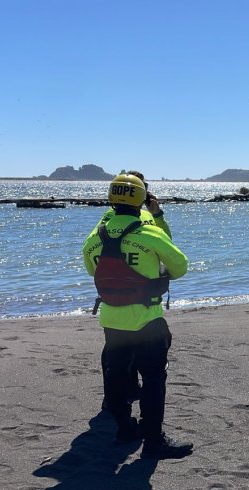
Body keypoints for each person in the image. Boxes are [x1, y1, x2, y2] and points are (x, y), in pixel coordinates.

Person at [82, 173, 192, 459]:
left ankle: (125, 429)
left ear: (111, 198)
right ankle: (154, 442)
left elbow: (91, 269)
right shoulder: (148, 231)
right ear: (141, 198)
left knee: (118, 378)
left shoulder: (96, 236)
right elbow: (180, 266)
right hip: (147, 320)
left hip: (111, 320)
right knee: (154, 379)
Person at [93, 171, 170, 411]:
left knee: (120, 358)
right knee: (132, 362)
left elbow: (93, 256)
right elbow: (170, 252)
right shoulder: (111, 217)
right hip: (136, 301)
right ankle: (118, 402)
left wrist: (157, 215)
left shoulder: (122, 217)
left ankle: (122, 407)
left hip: (117, 301)